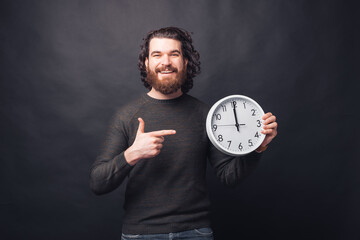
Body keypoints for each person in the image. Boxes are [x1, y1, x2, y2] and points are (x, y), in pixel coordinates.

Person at [90, 27, 278, 240]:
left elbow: (229, 176)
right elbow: (98, 183)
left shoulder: (205, 114)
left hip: (195, 233)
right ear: (146, 63)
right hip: (141, 234)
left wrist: (258, 146)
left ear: (186, 62)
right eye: (157, 55)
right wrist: (131, 154)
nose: (166, 62)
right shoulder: (126, 116)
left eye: (174, 54)